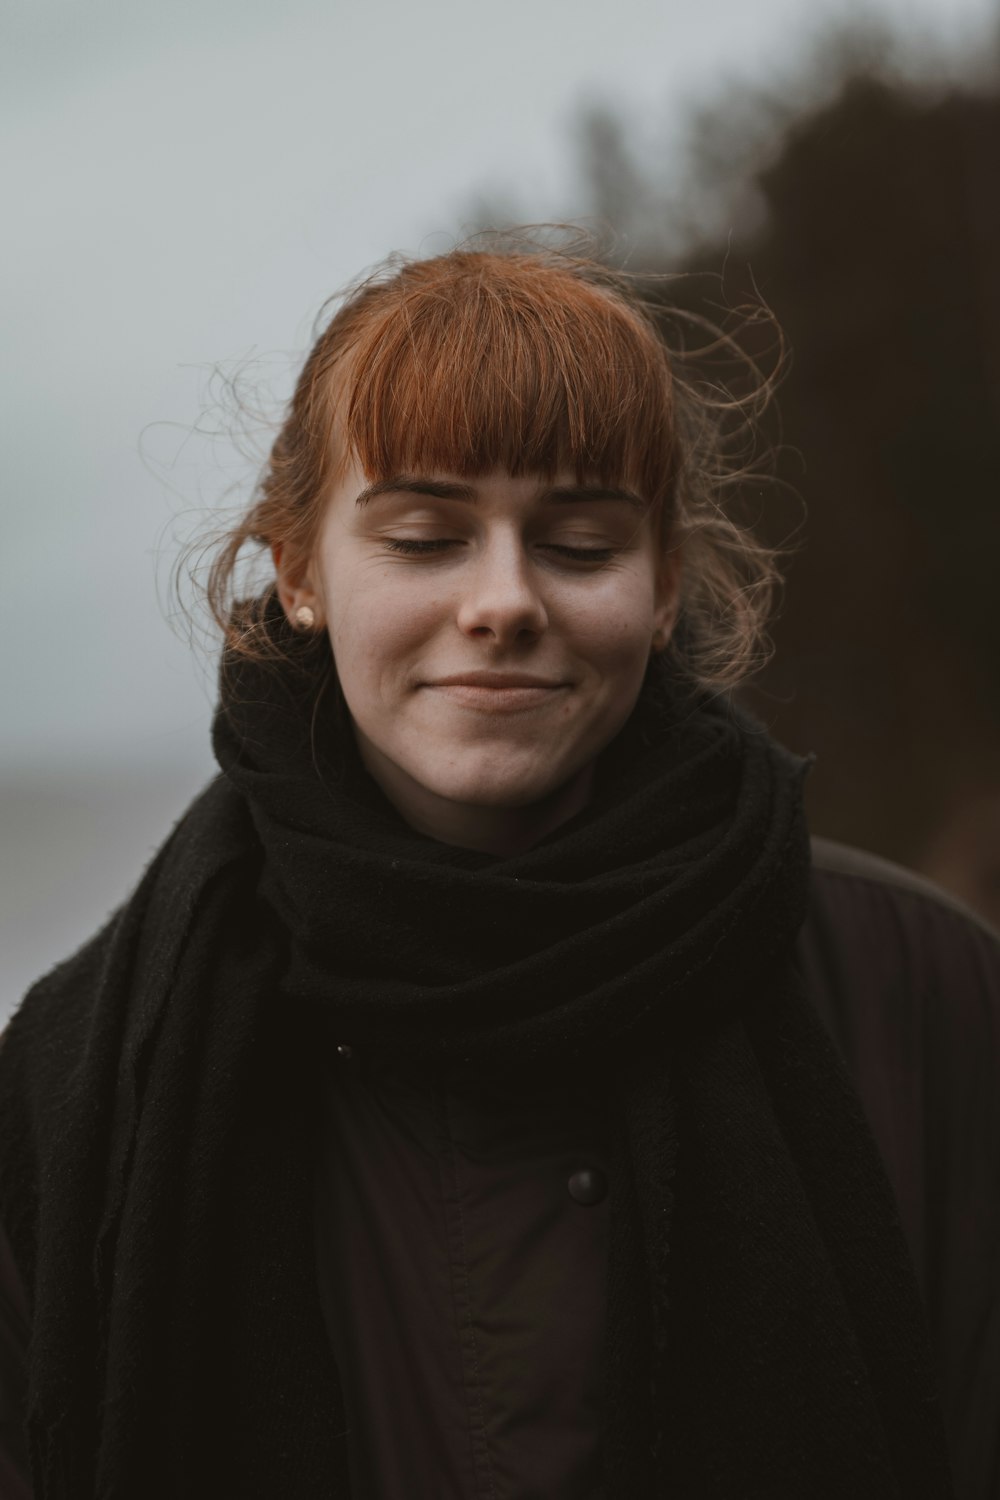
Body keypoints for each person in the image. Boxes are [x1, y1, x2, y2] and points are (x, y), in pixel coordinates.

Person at [0, 233, 997, 1500]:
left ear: (662, 580)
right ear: (301, 571)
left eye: (580, 544)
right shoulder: (70, 1088)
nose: (505, 600)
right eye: (423, 538)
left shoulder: (925, 995)